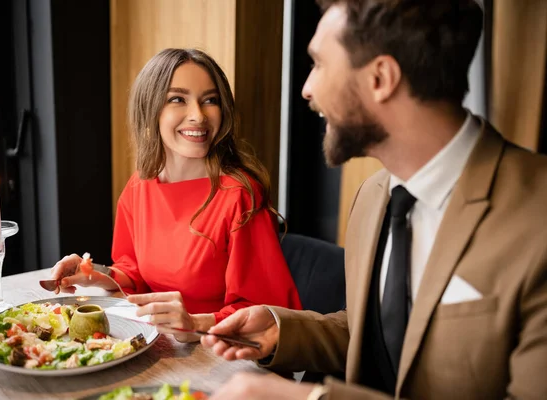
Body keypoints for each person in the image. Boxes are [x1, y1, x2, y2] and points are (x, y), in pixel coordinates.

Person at [202, 1, 547, 399]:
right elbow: (379, 333)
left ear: (380, 78)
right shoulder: (373, 197)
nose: (307, 89)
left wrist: (312, 399)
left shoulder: (536, 218)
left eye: (319, 64)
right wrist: (283, 330)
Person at [47, 48, 302, 343]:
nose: (198, 115)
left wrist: (194, 324)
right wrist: (96, 273)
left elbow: (267, 315)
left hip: (225, 357)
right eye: (177, 99)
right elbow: (134, 272)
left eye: (210, 100)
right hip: (161, 347)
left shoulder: (239, 196)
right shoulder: (137, 187)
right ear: (150, 111)